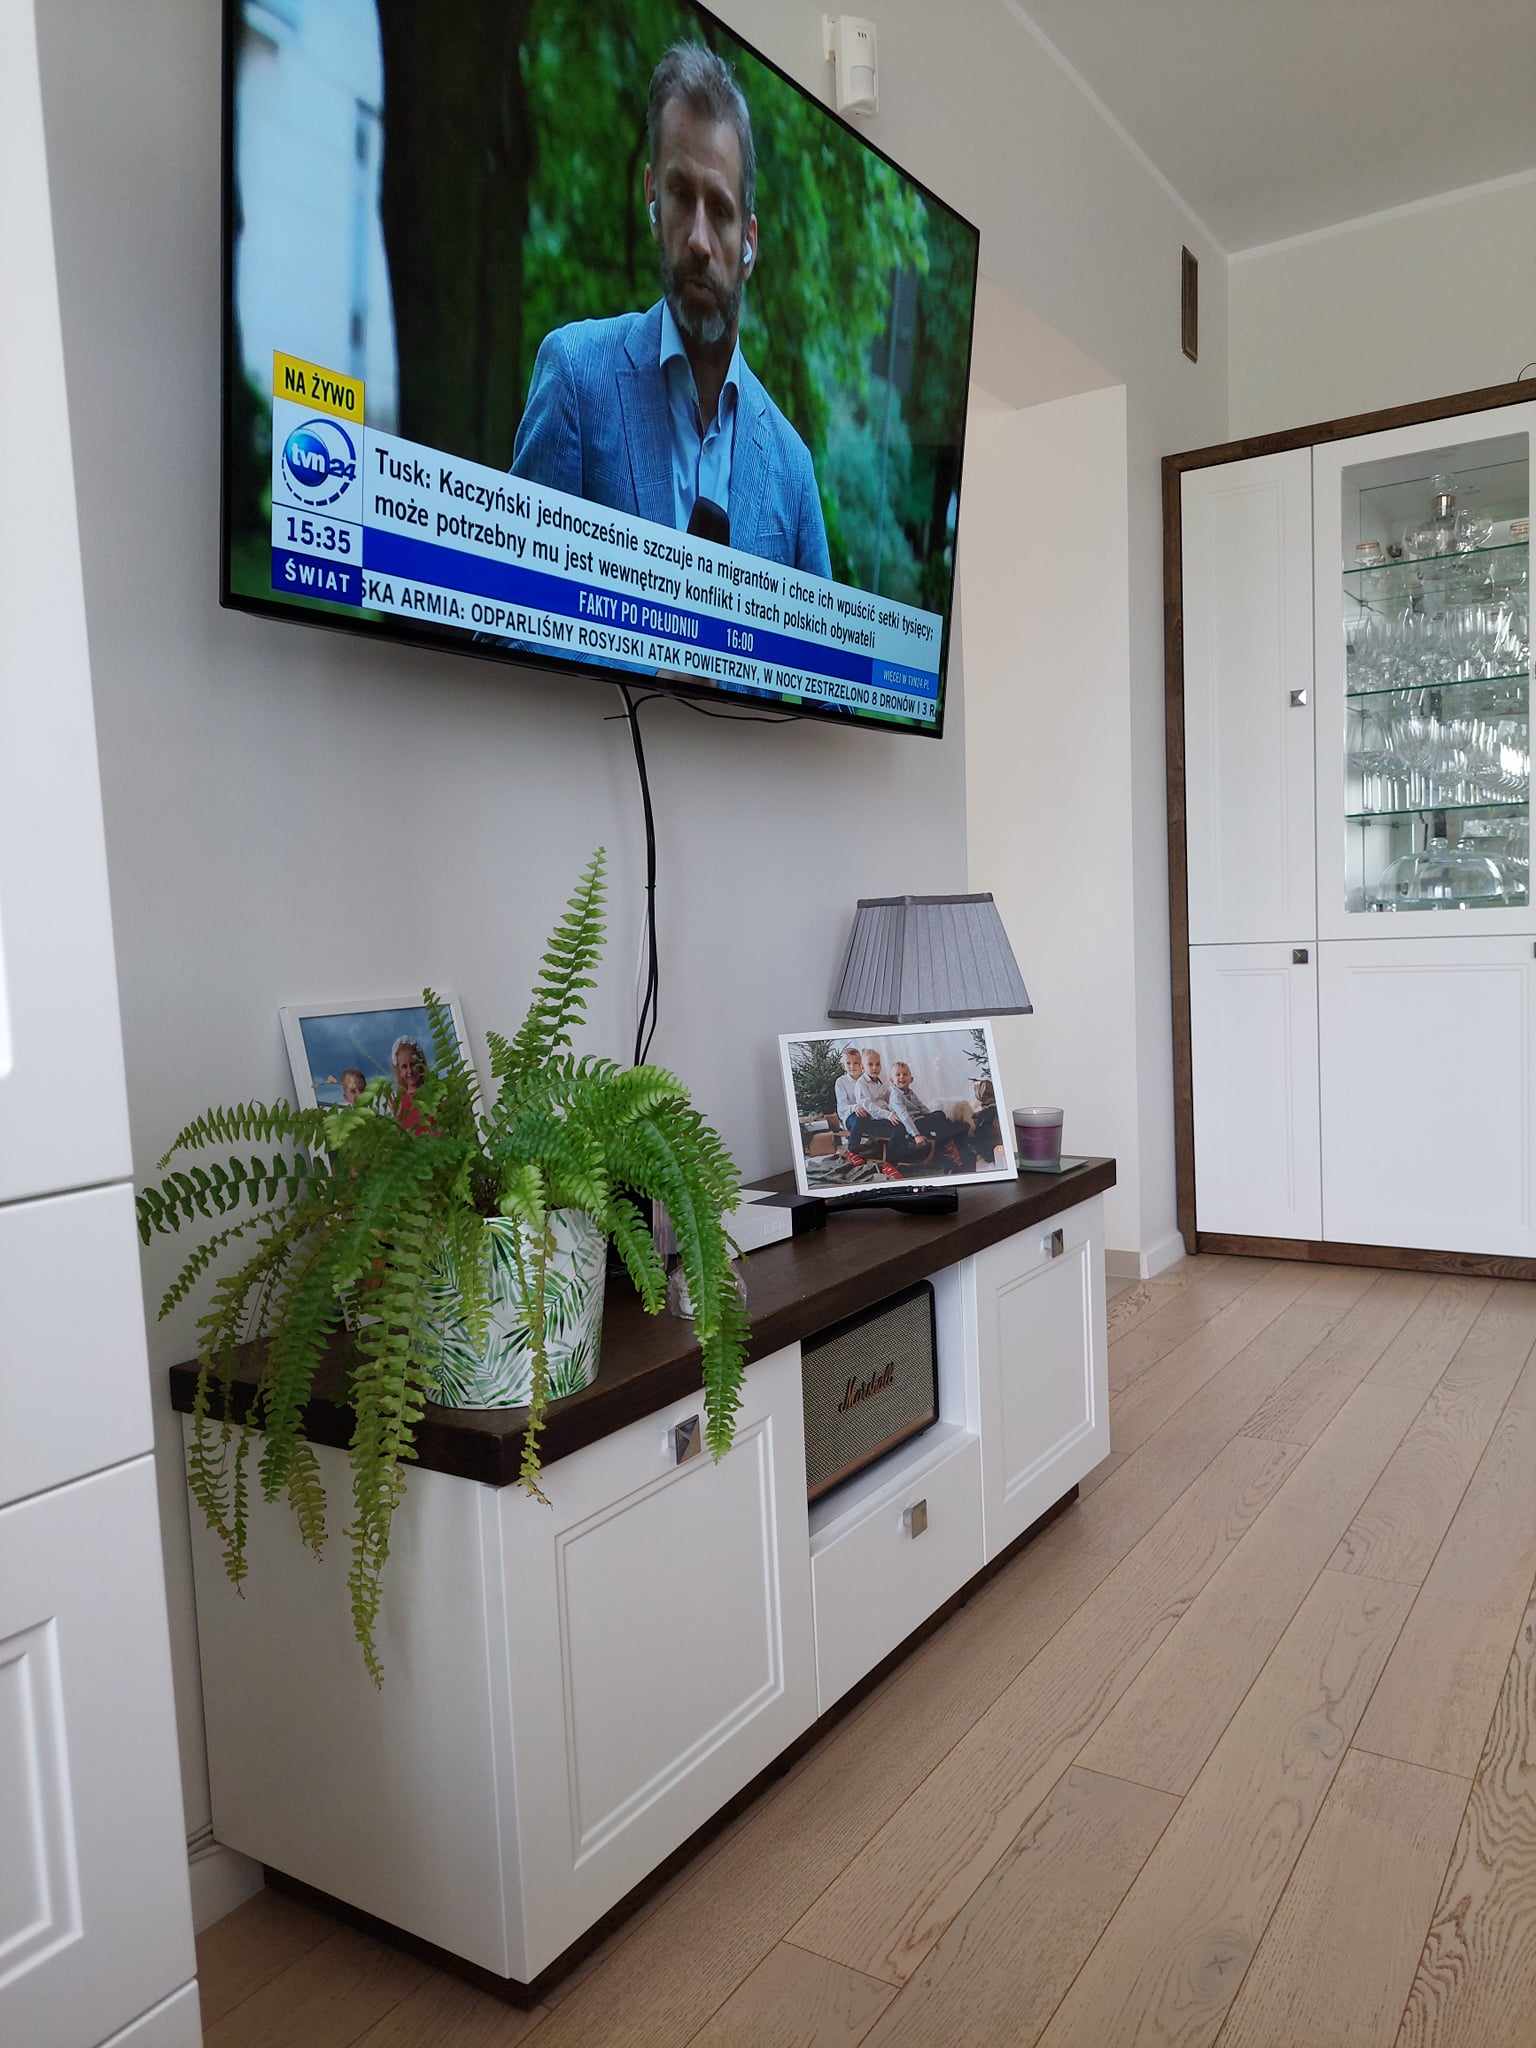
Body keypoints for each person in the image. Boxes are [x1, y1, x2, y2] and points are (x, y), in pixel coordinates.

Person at [510, 44, 831, 578]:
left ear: (749, 242)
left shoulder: (793, 469)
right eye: (681, 195)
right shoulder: (575, 379)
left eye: (721, 210)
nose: (700, 240)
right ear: (652, 198)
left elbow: (818, 637)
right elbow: (510, 610)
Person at [889, 1059, 977, 1172]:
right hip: (912, 1125)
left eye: (905, 1074)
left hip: (921, 1119)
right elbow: (904, 1116)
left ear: (911, 1078)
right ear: (892, 1080)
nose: (902, 1077)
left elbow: (921, 1107)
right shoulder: (895, 1096)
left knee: (939, 1114)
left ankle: (953, 1138)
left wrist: (932, 1117)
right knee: (938, 1121)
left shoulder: (910, 1092)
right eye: (898, 1075)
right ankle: (951, 1146)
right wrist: (916, 1135)